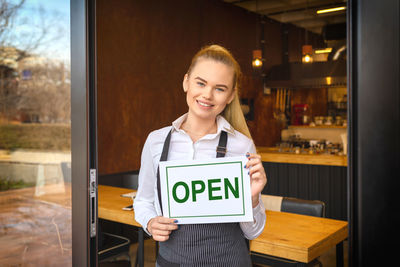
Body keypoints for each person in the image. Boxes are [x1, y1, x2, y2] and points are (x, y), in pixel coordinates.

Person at [134, 44, 267, 266]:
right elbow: (143, 201)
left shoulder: (242, 146)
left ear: (231, 95)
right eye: (201, 83)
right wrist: (150, 222)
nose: (207, 94)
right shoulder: (156, 141)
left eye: (220, 88)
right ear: (186, 81)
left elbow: (253, 233)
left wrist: (252, 199)